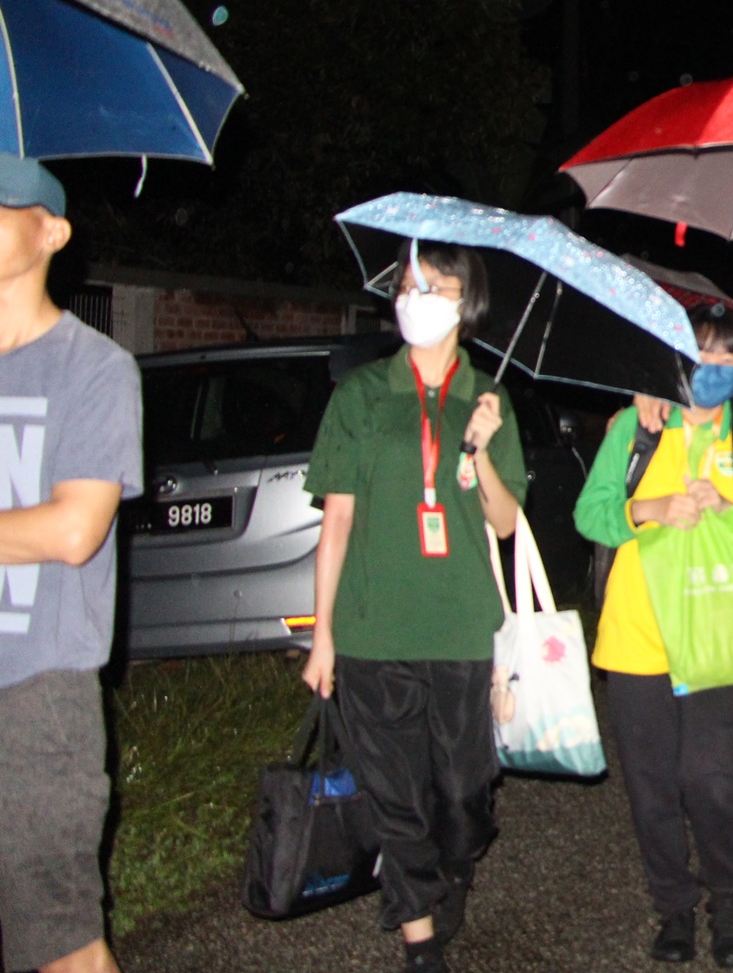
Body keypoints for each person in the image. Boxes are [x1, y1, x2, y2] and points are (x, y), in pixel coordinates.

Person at [302, 239, 527, 973]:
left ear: (467, 302)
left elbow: (501, 522)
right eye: (405, 283)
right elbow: (335, 522)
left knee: (463, 794)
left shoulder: (490, 397)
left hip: (462, 624)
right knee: (394, 790)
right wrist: (323, 636)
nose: (413, 297)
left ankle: (448, 870)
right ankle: (420, 940)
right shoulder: (360, 395)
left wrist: (483, 449)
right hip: (373, 625)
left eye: (432, 285)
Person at [575, 302, 733, 966]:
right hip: (637, 638)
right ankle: (673, 907)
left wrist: (729, 514)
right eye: (702, 353)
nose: (716, 368)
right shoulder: (636, 429)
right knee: (652, 785)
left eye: (731, 356)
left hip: (715, 638)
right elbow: (590, 513)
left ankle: (726, 899)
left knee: (710, 778)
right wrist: (651, 509)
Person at [0, 159, 141, 973]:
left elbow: (75, 528)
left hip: (34, 697)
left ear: (51, 231)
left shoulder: (93, 369)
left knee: (62, 947)